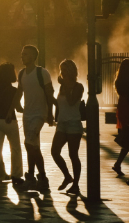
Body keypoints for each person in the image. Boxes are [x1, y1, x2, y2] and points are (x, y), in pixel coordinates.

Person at [16, 45, 54, 192]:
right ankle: (34, 178)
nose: (22, 56)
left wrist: (50, 113)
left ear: (33, 56)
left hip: (39, 114)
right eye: (22, 54)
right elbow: (19, 91)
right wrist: (16, 106)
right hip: (27, 115)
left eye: (25, 54)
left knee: (29, 143)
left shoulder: (42, 73)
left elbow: (49, 93)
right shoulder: (21, 74)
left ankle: (41, 177)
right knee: (32, 146)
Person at [51, 59, 84, 196]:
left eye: (65, 70)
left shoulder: (78, 86)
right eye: (61, 70)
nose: (62, 73)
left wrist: (66, 85)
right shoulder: (62, 87)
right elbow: (60, 104)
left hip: (74, 124)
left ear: (71, 71)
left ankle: (75, 184)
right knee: (55, 151)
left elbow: (71, 102)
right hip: (62, 123)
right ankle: (67, 176)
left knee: (73, 154)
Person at [0, 63, 22, 188]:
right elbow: (17, 108)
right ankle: (16, 175)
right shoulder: (14, 90)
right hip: (9, 121)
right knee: (15, 148)